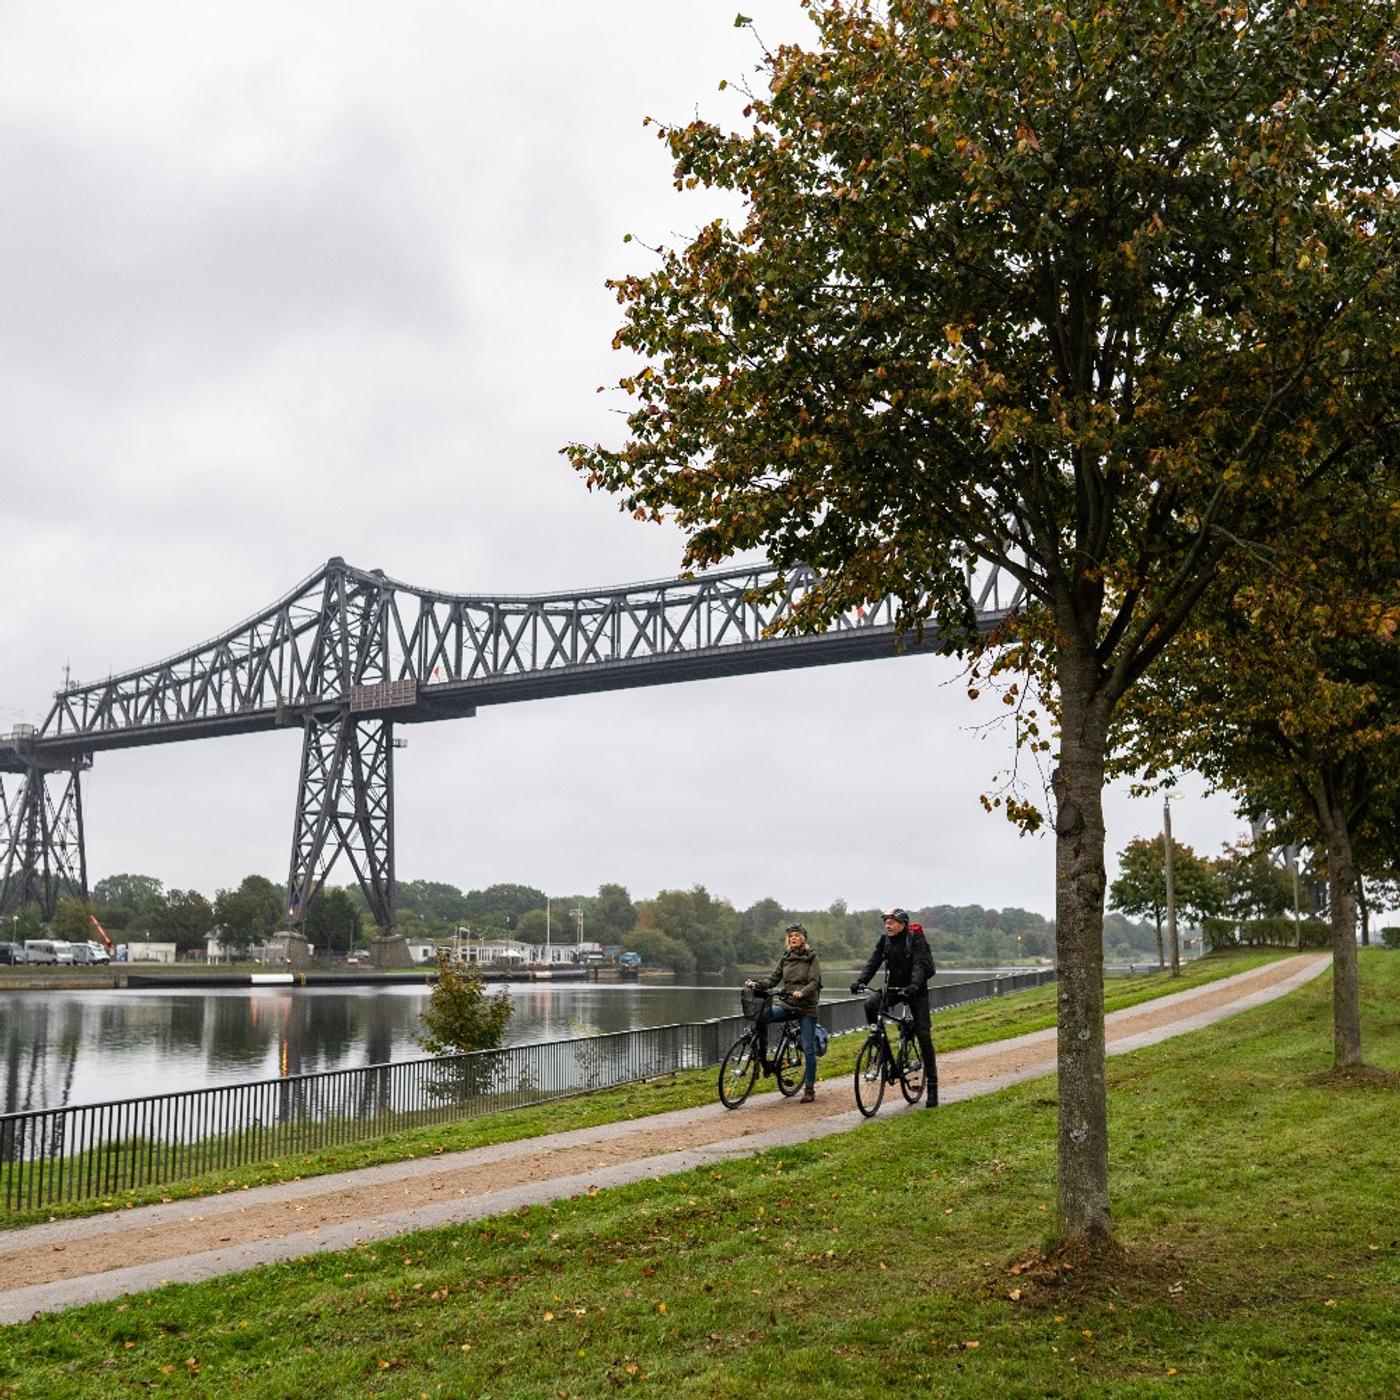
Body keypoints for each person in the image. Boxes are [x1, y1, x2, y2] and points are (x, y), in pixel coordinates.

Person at [851, 906, 938, 1108]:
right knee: (870, 1003)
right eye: (886, 922)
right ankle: (879, 1041)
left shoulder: (915, 939)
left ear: (902, 924)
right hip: (893, 988)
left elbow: (920, 965)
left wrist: (914, 985)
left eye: (891, 922)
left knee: (923, 1035)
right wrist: (861, 981)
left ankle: (933, 1087)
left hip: (916, 990)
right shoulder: (885, 941)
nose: (887, 926)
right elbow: (873, 962)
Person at [746, 923, 823, 1102]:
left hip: (806, 1007)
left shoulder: (812, 958)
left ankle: (809, 1089)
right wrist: (756, 984)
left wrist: (802, 992)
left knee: (808, 1048)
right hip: (788, 1004)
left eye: (796, 935)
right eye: (790, 936)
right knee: (762, 1016)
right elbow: (773, 979)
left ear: (803, 938)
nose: (793, 938)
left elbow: (814, 982)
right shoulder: (786, 957)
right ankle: (764, 1060)